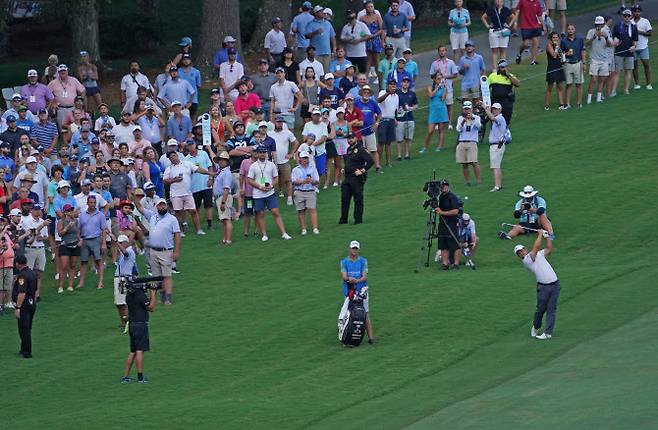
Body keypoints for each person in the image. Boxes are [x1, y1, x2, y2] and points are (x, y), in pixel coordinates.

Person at [133, 197, 180, 303]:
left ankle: (168, 298)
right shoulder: (152, 216)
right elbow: (140, 207)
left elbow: (177, 235)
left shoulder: (172, 219)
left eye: (164, 205)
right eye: (160, 205)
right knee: (156, 276)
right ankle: (162, 297)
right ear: (156, 207)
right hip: (153, 251)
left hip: (166, 251)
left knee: (167, 275)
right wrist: (132, 196)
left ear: (166, 206)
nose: (162, 207)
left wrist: (176, 252)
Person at [514, 229, 560, 340]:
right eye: (519, 253)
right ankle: (536, 326)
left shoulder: (538, 254)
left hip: (555, 285)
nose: (521, 252)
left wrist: (546, 236)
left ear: (525, 248)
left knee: (551, 309)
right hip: (543, 288)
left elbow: (549, 248)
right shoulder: (527, 260)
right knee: (540, 310)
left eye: (522, 250)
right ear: (519, 256)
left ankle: (547, 333)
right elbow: (536, 248)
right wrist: (540, 234)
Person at [247, 146, 292, 241]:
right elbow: (249, 180)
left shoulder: (271, 164)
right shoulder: (253, 166)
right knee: (260, 214)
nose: (262, 154)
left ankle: (284, 233)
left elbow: (276, 178)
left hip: (270, 192)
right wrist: (260, 186)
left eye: (264, 152)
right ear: (257, 154)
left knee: (275, 211)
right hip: (258, 194)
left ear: (266, 153)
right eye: (260, 152)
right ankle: (264, 234)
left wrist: (271, 186)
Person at [120, 270, 156, 383]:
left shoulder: (129, 296)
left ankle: (125, 377)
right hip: (141, 325)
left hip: (132, 325)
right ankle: (140, 377)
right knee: (140, 350)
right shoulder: (140, 295)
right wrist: (153, 293)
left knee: (133, 351)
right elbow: (151, 308)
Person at [338, 240, 374, 343]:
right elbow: (344, 276)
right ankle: (345, 334)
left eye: (356, 249)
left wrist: (355, 281)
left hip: (362, 291)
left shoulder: (363, 261)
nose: (354, 250)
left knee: (365, 313)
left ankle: (371, 337)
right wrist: (351, 280)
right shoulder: (344, 262)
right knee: (346, 314)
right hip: (349, 292)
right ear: (349, 249)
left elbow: (364, 276)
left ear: (358, 250)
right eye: (353, 248)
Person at [339, 133, 374, 225]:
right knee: (344, 198)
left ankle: (358, 219)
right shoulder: (349, 149)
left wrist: (362, 171)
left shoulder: (361, 149)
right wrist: (344, 169)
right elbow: (348, 161)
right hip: (347, 177)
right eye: (348, 138)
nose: (349, 140)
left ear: (356, 138)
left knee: (358, 199)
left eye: (351, 138)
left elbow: (370, 161)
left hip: (356, 177)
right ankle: (343, 219)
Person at [77, 195, 107, 289]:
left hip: (96, 238)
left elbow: (104, 229)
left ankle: (100, 282)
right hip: (85, 239)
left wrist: (104, 243)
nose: (93, 204)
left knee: (98, 261)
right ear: (87, 203)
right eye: (91, 202)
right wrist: (79, 239)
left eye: (94, 202)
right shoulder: (82, 215)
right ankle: (81, 283)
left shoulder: (100, 215)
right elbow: (78, 229)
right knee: (83, 261)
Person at [185, 142, 214, 232]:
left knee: (208, 205)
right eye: (189, 145)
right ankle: (198, 225)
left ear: (195, 145)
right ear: (187, 148)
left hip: (206, 184)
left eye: (192, 144)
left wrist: (210, 178)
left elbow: (210, 166)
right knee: (196, 207)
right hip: (194, 186)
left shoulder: (203, 153)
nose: (191, 147)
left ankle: (210, 224)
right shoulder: (186, 159)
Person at [13, 255, 38, 358]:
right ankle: (23, 349)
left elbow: (22, 293)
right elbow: (35, 289)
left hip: (25, 305)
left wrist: (18, 308)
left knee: (24, 329)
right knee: (27, 328)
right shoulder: (32, 273)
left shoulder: (22, 275)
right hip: (32, 303)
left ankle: (26, 352)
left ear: (18, 264)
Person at [269, 115, 298, 206]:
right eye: (278, 122)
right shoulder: (270, 134)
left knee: (288, 180)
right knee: (272, 180)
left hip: (284, 161)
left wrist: (291, 153)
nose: (279, 124)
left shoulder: (287, 133)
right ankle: (271, 197)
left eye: (281, 122)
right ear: (275, 122)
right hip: (273, 161)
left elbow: (295, 143)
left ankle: (289, 197)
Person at [429, 45, 459, 129]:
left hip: (448, 87)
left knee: (449, 105)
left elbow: (455, 74)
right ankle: (438, 123)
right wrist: (436, 73)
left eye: (443, 50)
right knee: (439, 105)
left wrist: (445, 76)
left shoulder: (451, 62)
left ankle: (449, 123)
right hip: (438, 88)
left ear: (446, 51)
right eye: (440, 51)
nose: (442, 52)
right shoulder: (434, 63)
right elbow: (431, 76)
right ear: (438, 52)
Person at [586, 16, 614, 104]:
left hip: (604, 59)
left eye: (601, 24)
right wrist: (594, 37)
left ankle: (598, 98)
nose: (599, 26)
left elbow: (610, 45)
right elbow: (586, 43)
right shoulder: (591, 32)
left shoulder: (606, 32)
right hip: (594, 59)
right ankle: (589, 99)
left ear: (603, 24)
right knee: (593, 79)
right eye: (597, 24)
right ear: (595, 24)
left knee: (602, 79)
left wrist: (605, 37)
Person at [353, 85, 381, 172]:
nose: (366, 94)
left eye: (368, 93)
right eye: (365, 92)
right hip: (360, 131)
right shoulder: (356, 103)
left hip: (370, 131)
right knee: (361, 151)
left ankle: (377, 166)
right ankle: (363, 168)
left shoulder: (373, 103)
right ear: (361, 93)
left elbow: (379, 113)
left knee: (373, 149)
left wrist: (377, 123)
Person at [291, 150, 319, 235]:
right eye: (303, 158)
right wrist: (303, 181)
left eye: (306, 158)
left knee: (311, 209)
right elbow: (293, 181)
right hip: (299, 191)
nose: (305, 160)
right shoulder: (296, 169)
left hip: (310, 191)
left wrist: (311, 181)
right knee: (301, 210)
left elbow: (317, 181)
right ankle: (303, 229)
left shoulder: (312, 168)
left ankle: (315, 228)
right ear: (300, 159)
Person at [612, 9, 639, 96]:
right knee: (617, 72)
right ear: (622, 17)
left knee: (628, 71)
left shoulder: (634, 27)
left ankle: (626, 90)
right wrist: (615, 41)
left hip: (629, 53)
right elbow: (613, 38)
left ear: (631, 16)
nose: (626, 17)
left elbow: (635, 41)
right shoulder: (617, 26)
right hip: (619, 52)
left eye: (628, 16)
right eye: (625, 16)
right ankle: (613, 91)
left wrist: (634, 47)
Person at [435, 180, 460, 270]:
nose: (443, 187)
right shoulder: (441, 196)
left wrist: (442, 212)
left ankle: (456, 264)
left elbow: (455, 211)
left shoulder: (452, 197)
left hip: (451, 224)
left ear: (448, 186)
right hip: (442, 224)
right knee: (443, 244)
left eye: (445, 186)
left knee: (455, 244)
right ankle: (445, 264)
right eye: (442, 186)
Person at [421, 72, 448, 154]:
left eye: (441, 78)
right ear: (434, 79)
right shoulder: (430, 87)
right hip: (433, 110)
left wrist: (445, 89)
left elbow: (443, 98)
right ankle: (425, 147)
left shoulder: (443, 87)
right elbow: (431, 95)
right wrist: (437, 87)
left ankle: (439, 146)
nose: (440, 80)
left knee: (441, 129)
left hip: (441, 109)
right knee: (430, 131)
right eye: (438, 79)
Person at [455, 101, 481, 186]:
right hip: (462, 142)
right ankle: (468, 181)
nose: (467, 111)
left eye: (468, 109)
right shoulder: (460, 118)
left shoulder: (476, 117)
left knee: (474, 162)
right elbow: (458, 129)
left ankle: (478, 181)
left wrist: (472, 118)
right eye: (465, 109)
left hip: (472, 142)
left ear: (471, 109)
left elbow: (479, 126)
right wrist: (463, 121)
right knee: (464, 164)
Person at [560, 23, 586, 109]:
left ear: (574, 30)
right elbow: (561, 54)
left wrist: (584, 62)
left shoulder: (580, 39)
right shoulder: (563, 41)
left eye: (572, 29)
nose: (570, 31)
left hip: (578, 63)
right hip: (568, 64)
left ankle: (579, 103)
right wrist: (566, 54)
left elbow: (583, 51)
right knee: (568, 84)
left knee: (578, 84)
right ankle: (567, 104)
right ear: (567, 30)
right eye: (569, 29)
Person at [484, 103, 508, 192]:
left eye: (496, 109)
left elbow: (492, 118)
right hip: (495, 145)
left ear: (500, 110)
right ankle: (498, 185)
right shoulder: (498, 119)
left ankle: (497, 186)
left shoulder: (500, 118)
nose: (494, 110)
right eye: (493, 109)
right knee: (496, 166)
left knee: (495, 166)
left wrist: (485, 109)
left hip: (497, 145)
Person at [482, 0, 513, 67]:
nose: (498, 1)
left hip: (503, 30)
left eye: (500, 0)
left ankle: (503, 67)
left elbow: (513, 17)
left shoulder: (506, 9)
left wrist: (509, 25)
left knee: (503, 50)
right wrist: (487, 26)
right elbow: (483, 17)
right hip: (494, 31)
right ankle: (494, 68)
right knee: (495, 50)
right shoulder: (491, 9)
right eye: (497, 0)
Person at [56, 204, 80, 293]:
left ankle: (70, 285)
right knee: (64, 266)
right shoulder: (61, 221)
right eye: (68, 210)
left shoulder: (76, 221)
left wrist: (79, 240)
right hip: (65, 244)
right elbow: (60, 233)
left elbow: (77, 232)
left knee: (73, 265)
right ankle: (61, 286)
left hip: (75, 244)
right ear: (65, 212)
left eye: (71, 210)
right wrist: (67, 227)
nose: (70, 212)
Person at [488, 59, 520, 125]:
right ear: (499, 68)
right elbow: (486, 88)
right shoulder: (492, 76)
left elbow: (517, 84)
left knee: (506, 121)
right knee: (494, 121)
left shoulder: (510, 76)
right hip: (495, 101)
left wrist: (508, 76)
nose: (504, 69)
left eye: (505, 67)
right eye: (502, 67)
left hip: (507, 102)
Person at [514, 0, 545, 66]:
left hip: (535, 26)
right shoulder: (522, 1)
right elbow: (517, 11)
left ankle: (533, 60)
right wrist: (515, 22)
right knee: (526, 44)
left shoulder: (537, 2)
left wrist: (543, 25)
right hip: (525, 26)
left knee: (535, 42)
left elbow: (539, 15)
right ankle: (519, 53)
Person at [360, 0, 386, 81]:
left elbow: (382, 29)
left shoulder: (377, 16)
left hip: (376, 39)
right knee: (368, 59)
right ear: (365, 8)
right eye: (368, 7)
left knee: (376, 60)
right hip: (367, 41)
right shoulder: (362, 18)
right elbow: (360, 31)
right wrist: (365, 36)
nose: (370, 8)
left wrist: (382, 40)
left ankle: (379, 77)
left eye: (371, 6)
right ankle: (365, 77)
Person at [305, 6, 336, 71]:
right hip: (316, 53)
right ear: (316, 13)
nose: (323, 12)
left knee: (326, 72)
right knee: (316, 71)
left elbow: (332, 36)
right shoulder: (311, 24)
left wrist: (334, 48)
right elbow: (306, 36)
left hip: (327, 52)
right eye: (320, 11)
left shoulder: (328, 23)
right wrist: (315, 32)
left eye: (323, 11)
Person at [376, 79, 399, 167]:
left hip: (391, 120)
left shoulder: (396, 96)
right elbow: (379, 100)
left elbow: (395, 109)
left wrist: (395, 118)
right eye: (391, 84)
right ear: (388, 85)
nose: (393, 86)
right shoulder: (382, 92)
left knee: (389, 142)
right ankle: (378, 163)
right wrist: (388, 93)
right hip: (383, 120)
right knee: (381, 142)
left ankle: (388, 162)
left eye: (394, 84)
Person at [213, 151, 234, 245]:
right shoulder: (221, 172)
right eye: (220, 160)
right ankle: (225, 239)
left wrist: (223, 202)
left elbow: (226, 188)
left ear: (227, 161)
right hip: (219, 197)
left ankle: (228, 239)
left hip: (223, 197)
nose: (221, 162)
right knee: (224, 220)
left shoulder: (227, 173)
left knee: (226, 219)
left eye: (223, 160)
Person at [395, 76, 417, 160]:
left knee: (408, 138)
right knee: (399, 139)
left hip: (410, 118)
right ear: (401, 83)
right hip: (400, 119)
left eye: (407, 82)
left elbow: (416, 104)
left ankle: (407, 154)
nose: (406, 83)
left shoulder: (412, 94)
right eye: (404, 81)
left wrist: (411, 108)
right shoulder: (397, 93)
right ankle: (399, 155)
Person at [631, 5, 652, 91]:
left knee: (646, 65)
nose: (637, 13)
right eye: (635, 11)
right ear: (633, 12)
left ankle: (648, 84)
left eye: (639, 11)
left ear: (641, 12)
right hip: (633, 48)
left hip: (643, 47)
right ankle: (637, 84)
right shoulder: (630, 22)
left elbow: (650, 33)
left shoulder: (645, 21)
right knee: (634, 66)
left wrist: (639, 32)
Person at [545, 31, 567, 110]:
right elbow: (554, 55)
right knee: (550, 87)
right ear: (551, 38)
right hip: (552, 67)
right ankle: (547, 105)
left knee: (560, 86)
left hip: (559, 67)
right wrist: (557, 47)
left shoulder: (559, 46)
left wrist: (563, 59)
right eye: (553, 37)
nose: (555, 39)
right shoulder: (549, 46)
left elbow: (561, 56)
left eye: (556, 38)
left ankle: (561, 104)